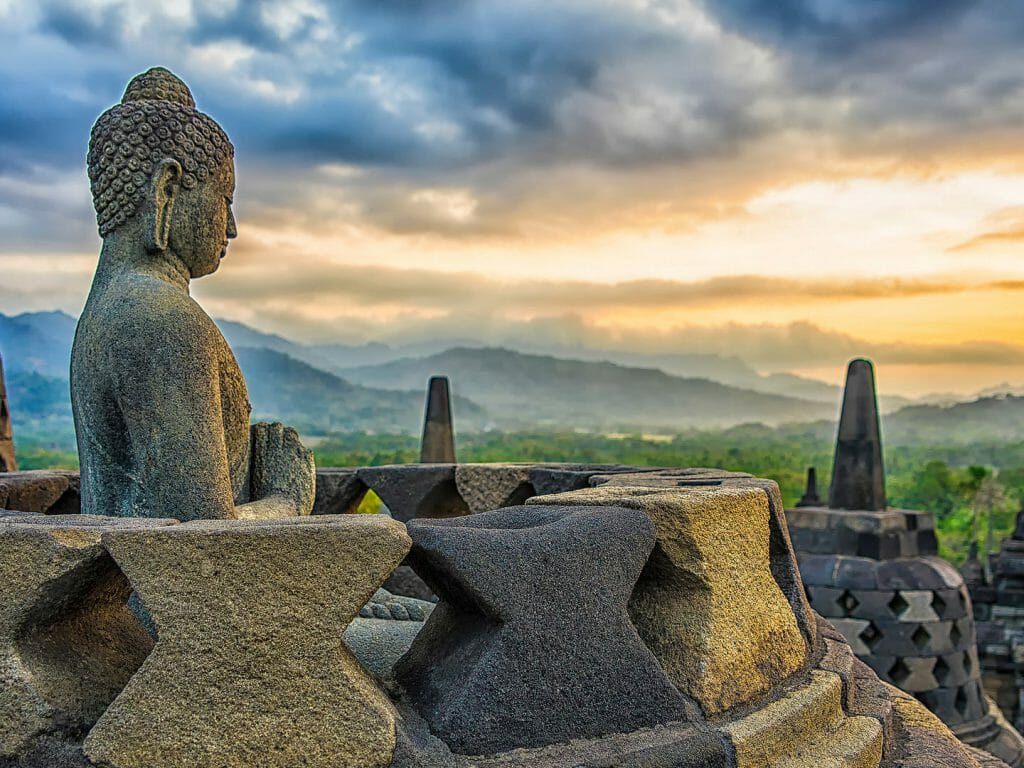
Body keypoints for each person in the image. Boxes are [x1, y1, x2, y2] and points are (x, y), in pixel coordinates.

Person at [71, 67, 315, 521]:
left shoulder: (108, 313)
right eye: (225, 200)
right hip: (171, 591)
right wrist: (288, 499)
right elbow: (196, 541)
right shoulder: (162, 321)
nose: (233, 227)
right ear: (167, 189)